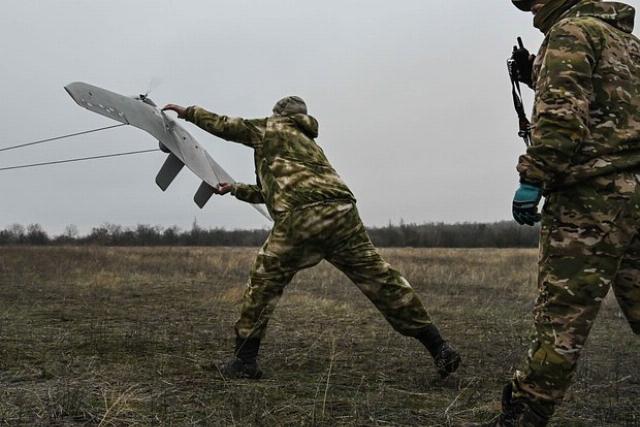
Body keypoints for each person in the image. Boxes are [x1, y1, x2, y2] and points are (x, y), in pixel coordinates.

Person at [162, 97, 461, 379]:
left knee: (264, 283)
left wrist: (188, 112)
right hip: (343, 212)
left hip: (301, 217)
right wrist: (237, 189)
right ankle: (439, 347)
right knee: (382, 280)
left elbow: (225, 125)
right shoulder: (308, 144)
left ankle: (244, 360)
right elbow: (273, 192)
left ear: (279, 114)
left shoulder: (270, 127)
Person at [490, 0, 640, 425]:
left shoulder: (570, 34)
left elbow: (563, 120)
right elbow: (610, 107)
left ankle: (525, 412)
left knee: (560, 323)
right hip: (633, 195)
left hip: (586, 205)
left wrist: (533, 178)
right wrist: (540, 72)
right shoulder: (625, 41)